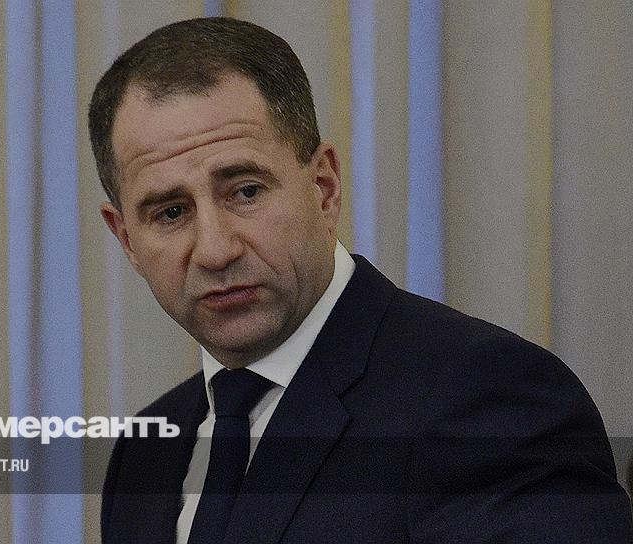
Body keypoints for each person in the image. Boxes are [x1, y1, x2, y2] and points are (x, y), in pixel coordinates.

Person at [88, 17, 633, 544]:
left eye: (246, 191)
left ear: (324, 188)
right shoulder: (147, 449)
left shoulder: (488, 398)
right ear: (127, 239)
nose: (215, 250)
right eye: (170, 213)